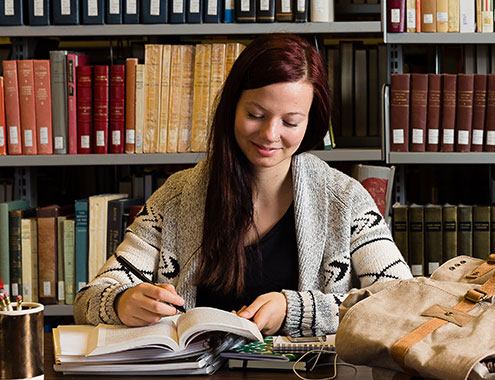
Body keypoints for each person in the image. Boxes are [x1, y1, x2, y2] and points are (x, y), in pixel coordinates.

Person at [74, 34, 412, 336]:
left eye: (290, 122)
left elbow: (402, 304)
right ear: (232, 107)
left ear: (311, 124)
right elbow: (88, 299)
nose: (270, 135)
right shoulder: (177, 197)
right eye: (256, 114)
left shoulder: (346, 200)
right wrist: (120, 302)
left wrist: (298, 310)